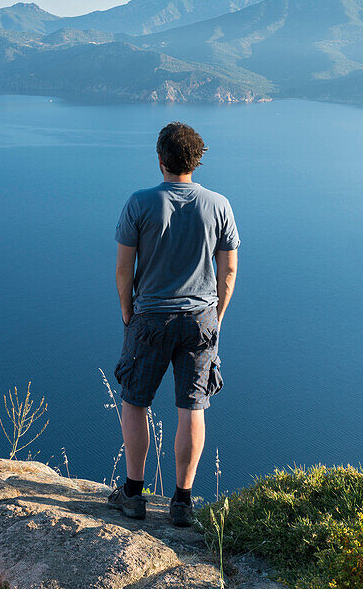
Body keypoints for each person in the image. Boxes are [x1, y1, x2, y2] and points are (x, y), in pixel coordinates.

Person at [107, 121, 239, 527]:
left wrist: (128, 312)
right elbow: (228, 270)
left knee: (134, 401)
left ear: (161, 159)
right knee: (192, 408)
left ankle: (133, 494)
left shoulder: (139, 203)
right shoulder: (219, 205)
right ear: (196, 161)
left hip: (149, 318)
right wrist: (215, 316)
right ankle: (182, 501)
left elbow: (123, 269)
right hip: (200, 320)